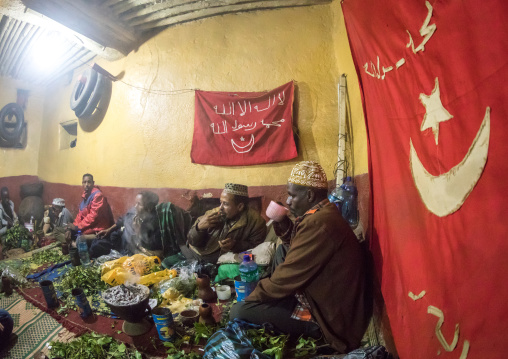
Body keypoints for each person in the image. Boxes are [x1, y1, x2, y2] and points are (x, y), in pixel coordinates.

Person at [230, 161, 371, 354]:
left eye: (292, 195)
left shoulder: (319, 223)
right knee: (281, 253)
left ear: (310, 195)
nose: (287, 201)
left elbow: (286, 276)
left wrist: (250, 298)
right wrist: (285, 225)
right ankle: (277, 303)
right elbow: (299, 247)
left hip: (329, 321)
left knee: (239, 312)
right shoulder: (322, 212)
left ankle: (314, 333)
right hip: (325, 299)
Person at [185, 183, 267, 264]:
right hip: (195, 254)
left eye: (225, 204)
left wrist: (235, 245)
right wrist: (199, 228)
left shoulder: (256, 222)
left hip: (220, 261)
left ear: (240, 206)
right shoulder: (212, 214)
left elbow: (255, 248)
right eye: (221, 202)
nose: (220, 208)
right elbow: (192, 241)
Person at [92, 191, 161, 258]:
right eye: (135, 203)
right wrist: (108, 230)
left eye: (139, 204)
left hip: (129, 252)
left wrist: (138, 231)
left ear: (149, 208)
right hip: (119, 242)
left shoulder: (153, 225)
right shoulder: (134, 212)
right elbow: (122, 220)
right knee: (96, 245)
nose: (135, 206)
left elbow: (145, 249)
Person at [65, 174, 114, 244]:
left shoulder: (98, 196)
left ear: (93, 183)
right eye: (84, 182)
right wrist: (73, 226)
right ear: (82, 183)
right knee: (65, 231)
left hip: (97, 230)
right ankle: (73, 245)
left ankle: (75, 246)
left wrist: (77, 227)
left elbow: (92, 217)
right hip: (87, 227)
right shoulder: (85, 196)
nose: (86, 184)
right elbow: (80, 216)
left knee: (79, 238)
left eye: (89, 182)